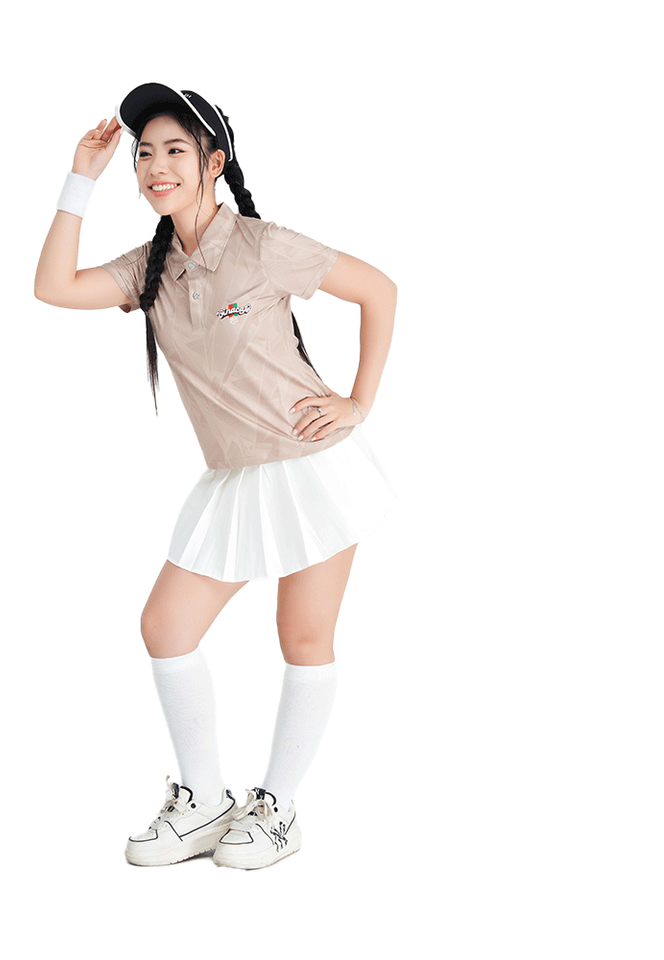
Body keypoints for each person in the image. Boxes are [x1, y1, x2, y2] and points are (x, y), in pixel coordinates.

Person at [34, 82, 398, 870]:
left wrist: (357, 401)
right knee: (166, 629)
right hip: (235, 478)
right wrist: (81, 178)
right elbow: (53, 288)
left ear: (214, 163)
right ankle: (203, 801)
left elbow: (378, 290)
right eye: (144, 154)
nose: (155, 166)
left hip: (315, 468)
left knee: (303, 637)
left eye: (175, 149)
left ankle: (279, 808)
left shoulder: (264, 245)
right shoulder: (149, 268)